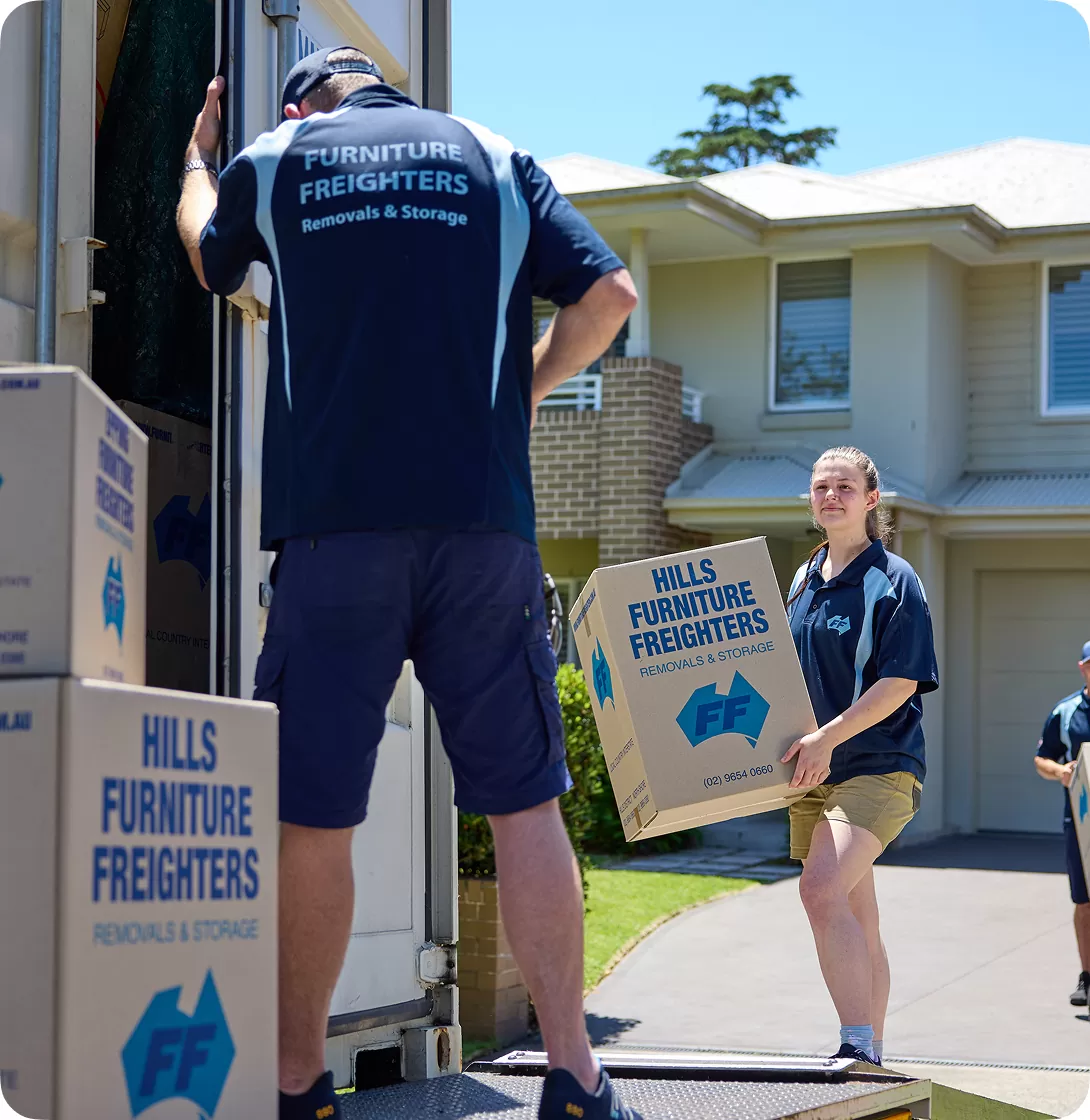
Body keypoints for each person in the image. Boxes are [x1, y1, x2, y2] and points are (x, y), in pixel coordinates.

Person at [175, 47, 642, 1120]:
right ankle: (572, 1075)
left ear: (302, 101)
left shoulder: (279, 153)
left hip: (338, 537)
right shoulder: (491, 153)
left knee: (314, 817)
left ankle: (300, 1088)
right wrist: (523, 386)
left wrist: (196, 160)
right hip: (483, 532)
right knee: (525, 807)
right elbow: (609, 293)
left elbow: (207, 255)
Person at [782, 446, 939, 1067]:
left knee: (820, 891)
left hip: (878, 764)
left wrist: (827, 737)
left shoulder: (894, 579)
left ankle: (856, 1046)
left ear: (871, 500)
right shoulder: (801, 579)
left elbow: (900, 682)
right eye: (821, 487)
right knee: (853, 914)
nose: (830, 496)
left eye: (844, 487)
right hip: (812, 773)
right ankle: (875, 1058)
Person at [1034, 642, 1090, 1007]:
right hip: (1082, 822)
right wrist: (1061, 771)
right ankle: (1087, 977)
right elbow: (1042, 758)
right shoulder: (1066, 711)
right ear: (1083, 667)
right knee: (1085, 902)